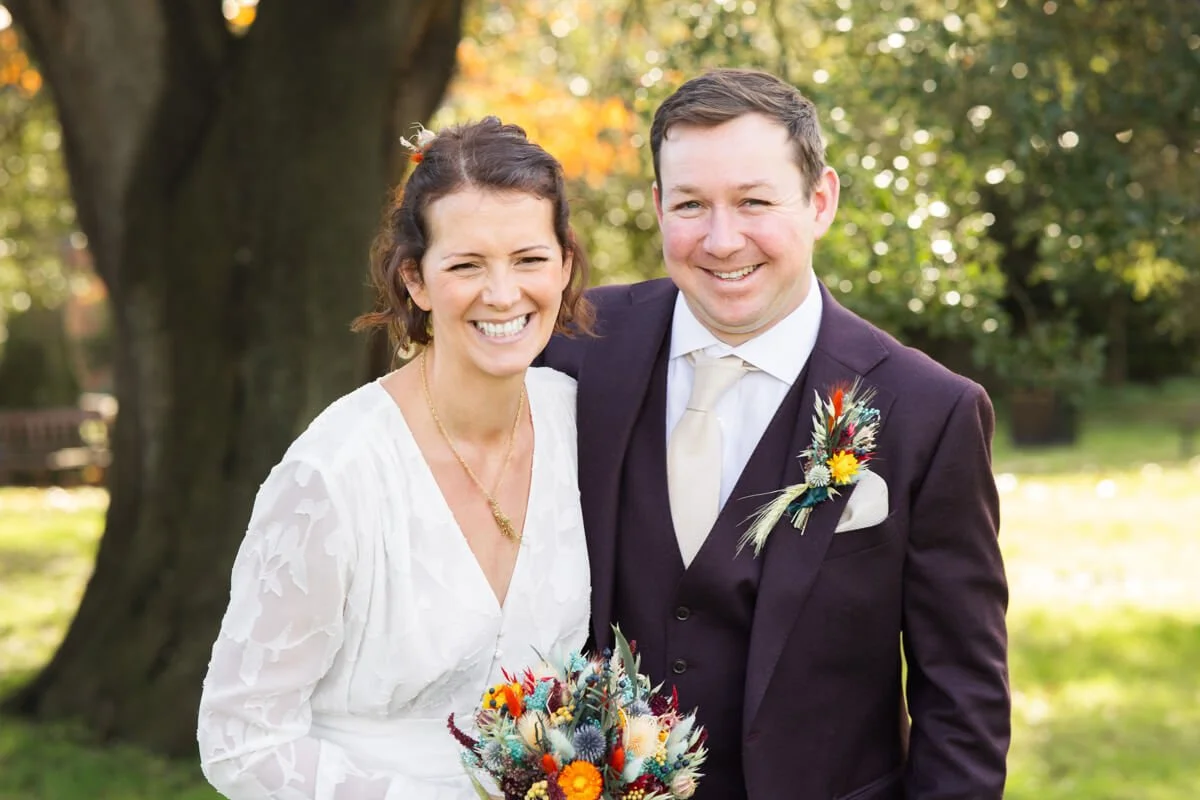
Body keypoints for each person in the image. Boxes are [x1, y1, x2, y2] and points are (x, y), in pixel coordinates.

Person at [539, 68, 1010, 799]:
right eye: (692, 204)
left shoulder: (929, 411)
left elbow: (964, 704)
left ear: (820, 200)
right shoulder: (575, 347)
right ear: (660, 205)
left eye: (754, 202)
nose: (723, 240)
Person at [198, 117, 593, 799]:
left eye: (528, 259)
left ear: (563, 264)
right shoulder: (334, 476)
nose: (502, 294)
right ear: (415, 279)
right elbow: (241, 741)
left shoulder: (582, 423)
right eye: (466, 264)